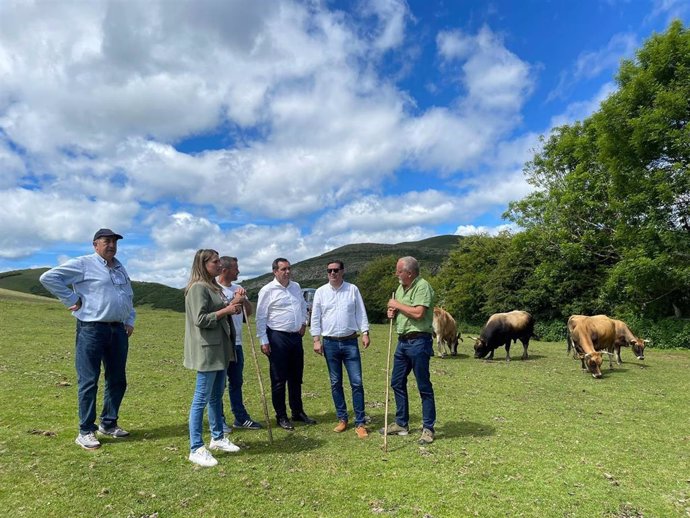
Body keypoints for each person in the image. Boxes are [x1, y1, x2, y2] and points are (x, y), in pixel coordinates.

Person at [39, 228, 136, 450]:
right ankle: (85, 431)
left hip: (118, 330)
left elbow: (128, 295)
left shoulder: (120, 267)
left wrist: (130, 319)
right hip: (91, 328)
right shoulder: (83, 263)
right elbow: (49, 277)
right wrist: (71, 298)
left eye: (114, 242)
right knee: (89, 380)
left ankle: (109, 424)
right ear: (95, 244)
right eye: (106, 241)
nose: (111, 245)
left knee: (118, 379)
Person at [184, 249, 244, 467]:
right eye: (215, 262)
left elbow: (220, 311)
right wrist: (226, 310)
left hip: (220, 349)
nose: (220, 265)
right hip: (207, 350)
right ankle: (195, 447)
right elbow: (200, 319)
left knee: (216, 394)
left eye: (220, 261)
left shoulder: (213, 287)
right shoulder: (198, 288)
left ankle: (217, 438)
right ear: (203, 264)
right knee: (201, 397)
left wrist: (233, 307)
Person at [311, 260, 371, 438]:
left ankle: (360, 422)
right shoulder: (321, 292)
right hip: (329, 342)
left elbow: (360, 312)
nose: (332, 273)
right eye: (329, 270)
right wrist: (316, 339)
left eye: (336, 270)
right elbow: (315, 316)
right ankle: (342, 418)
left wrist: (365, 332)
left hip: (350, 342)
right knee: (335, 382)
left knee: (357, 382)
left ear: (343, 271)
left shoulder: (352, 289)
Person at [381, 256, 437, 445]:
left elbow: (419, 313)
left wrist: (397, 305)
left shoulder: (423, 286)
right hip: (402, 341)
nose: (396, 274)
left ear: (409, 273)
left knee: (423, 386)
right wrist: (392, 313)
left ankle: (428, 428)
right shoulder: (400, 288)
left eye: (399, 271)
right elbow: (402, 311)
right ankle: (401, 423)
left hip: (419, 341)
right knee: (397, 382)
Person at [255, 257, 316, 430]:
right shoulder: (267, 290)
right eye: (283, 269)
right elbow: (261, 316)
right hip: (277, 336)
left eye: (289, 268)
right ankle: (281, 415)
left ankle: (297, 411)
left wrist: (304, 322)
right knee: (279, 379)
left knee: (296, 377)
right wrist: (263, 339)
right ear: (275, 271)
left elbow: (303, 305)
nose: (287, 272)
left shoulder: (296, 287)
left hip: (295, 336)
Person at [217, 256, 262, 431]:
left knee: (237, 381)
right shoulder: (213, 288)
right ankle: (219, 419)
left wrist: (244, 300)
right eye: (236, 268)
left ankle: (240, 418)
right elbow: (218, 311)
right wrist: (234, 300)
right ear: (225, 270)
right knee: (219, 384)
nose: (239, 271)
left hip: (237, 343)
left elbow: (246, 314)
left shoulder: (238, 289)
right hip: (221, 343)